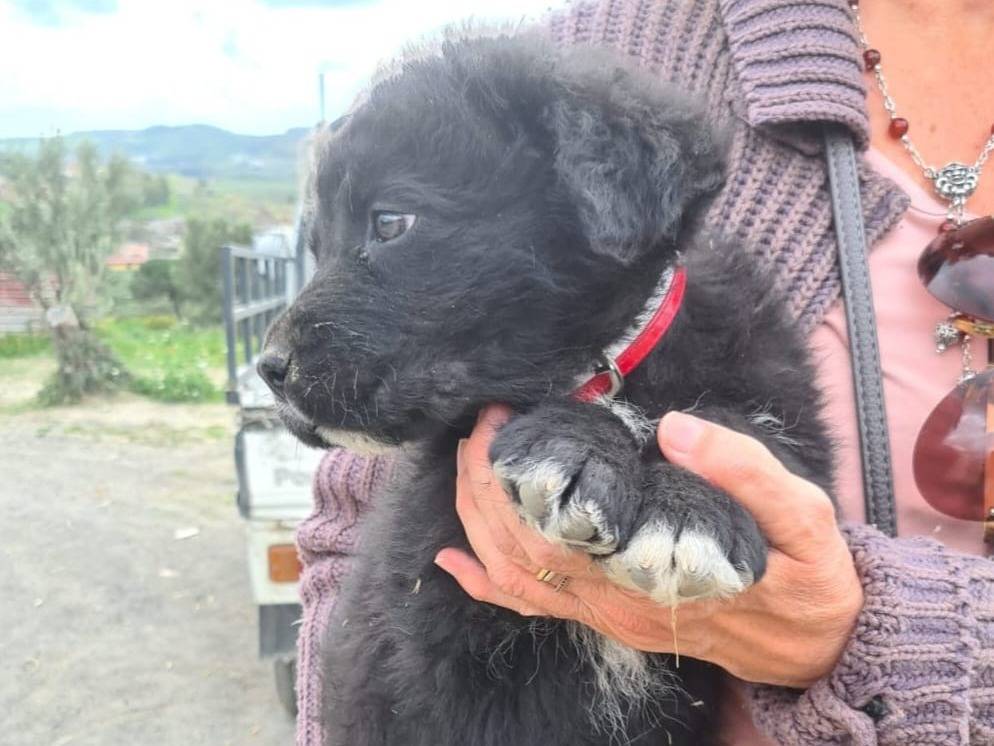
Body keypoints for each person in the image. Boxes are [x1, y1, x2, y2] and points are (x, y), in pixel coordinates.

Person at [294, 0, 994, 744]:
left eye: (390, 226)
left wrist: (865, 635)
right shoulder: (569, 67)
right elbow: (354, 529)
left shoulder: (726, 318)